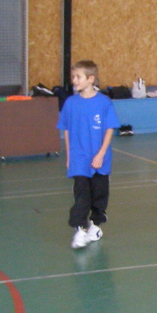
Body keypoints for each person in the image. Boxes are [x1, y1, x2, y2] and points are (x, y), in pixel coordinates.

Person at [56, 60, 120, 249]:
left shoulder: (104, 102)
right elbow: (66, 129)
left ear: (90, 79)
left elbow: (109, 129)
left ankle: (95, 225)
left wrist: (100, 154)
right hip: (79, 158)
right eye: (73, 77)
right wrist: (69, 155)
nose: (74, 80)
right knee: (81, 195)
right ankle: (80, 230)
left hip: (99, 159)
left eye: (78, 77)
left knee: (99, 194)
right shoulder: (70, 103)